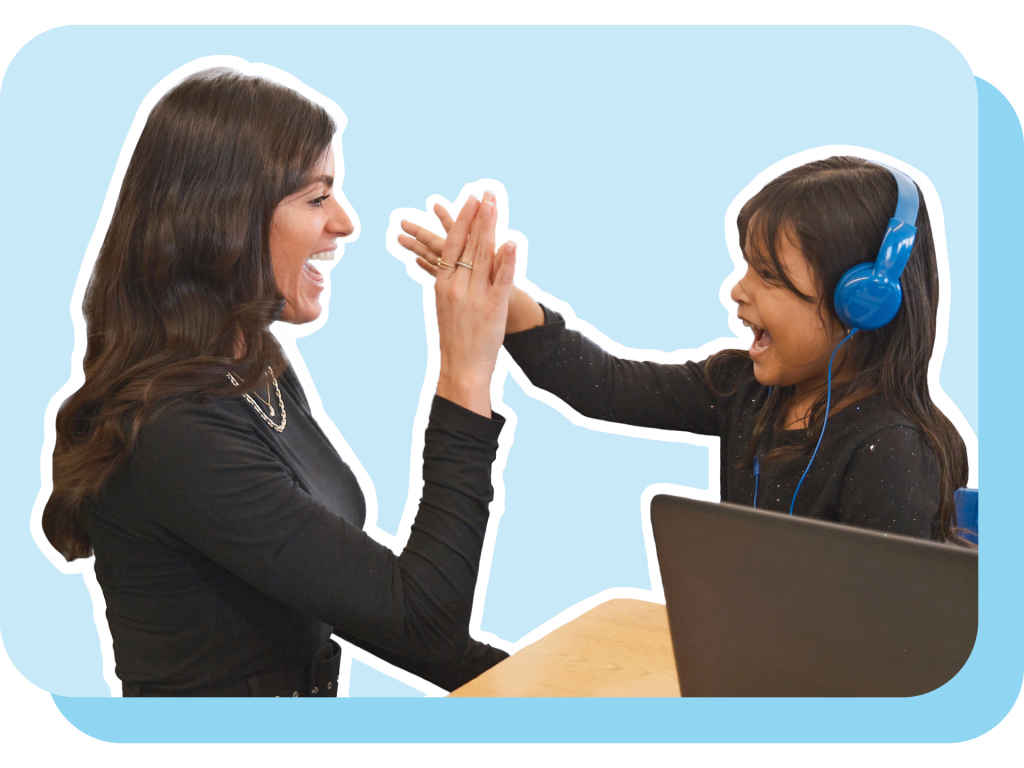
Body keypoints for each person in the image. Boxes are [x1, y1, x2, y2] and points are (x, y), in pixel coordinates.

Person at [41, 68, 519, 697]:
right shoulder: (174, 432)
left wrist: (570, 683)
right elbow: (418, 622)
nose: (345, 222)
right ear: (221, 217)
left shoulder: (251, 367)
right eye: (317, 198)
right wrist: (465, 373)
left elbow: (374, 608)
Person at [399, 156, 970, 543]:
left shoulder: (894, 449)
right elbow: (605, 386)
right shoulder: (745, 389)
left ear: (862, 305)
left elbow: (889, 645)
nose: (737, 290)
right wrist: (502, 298)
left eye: (768, 276)